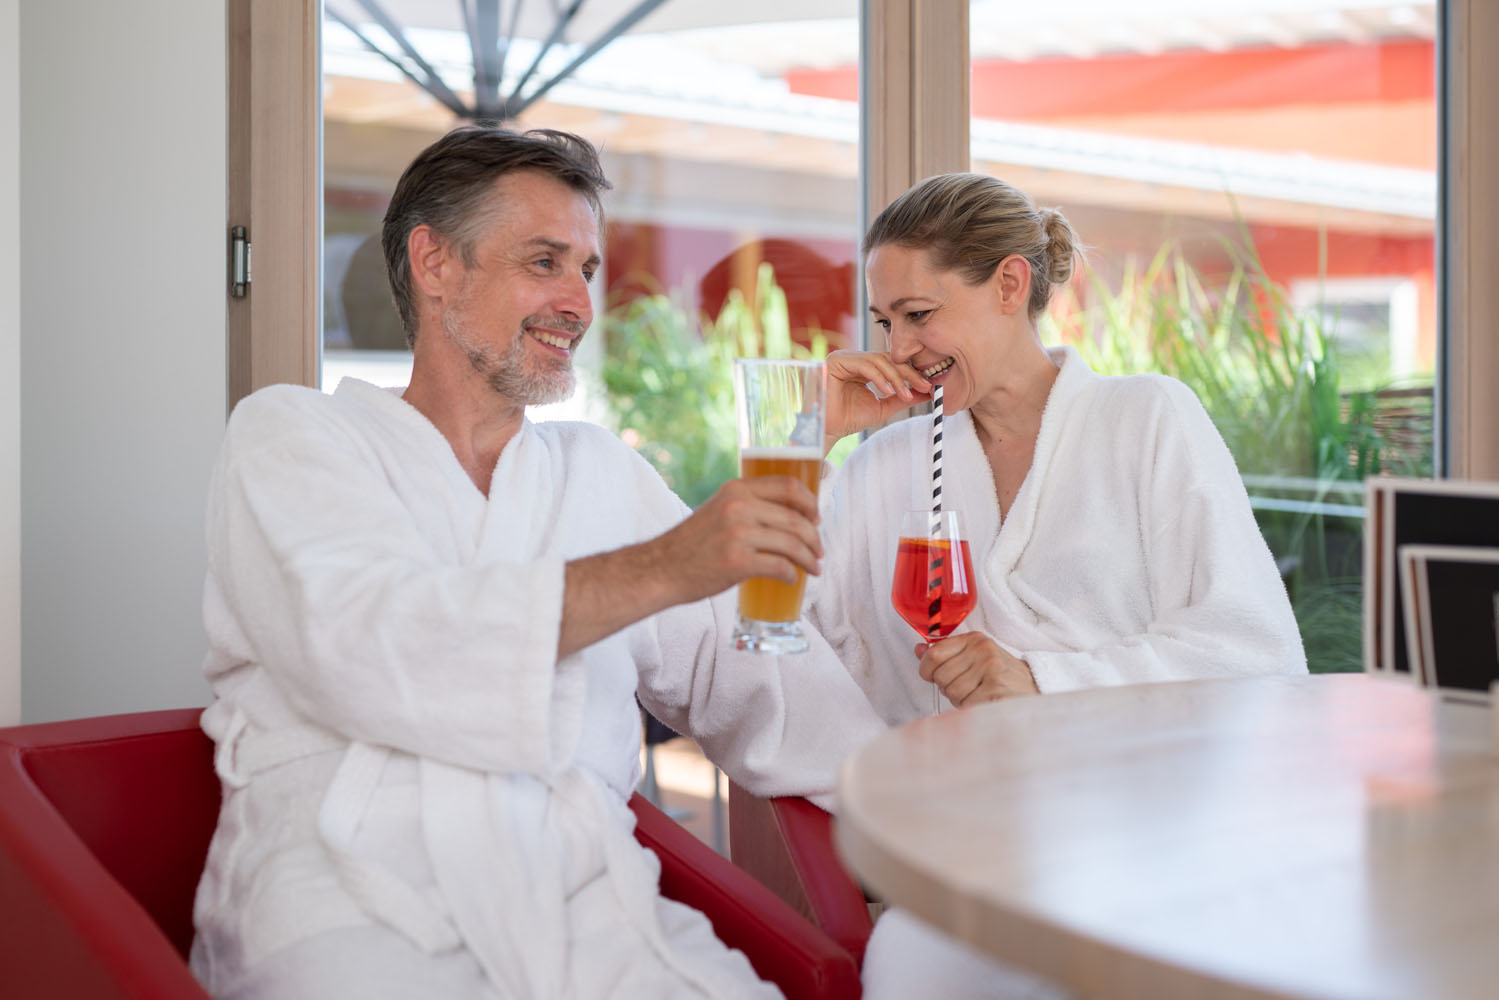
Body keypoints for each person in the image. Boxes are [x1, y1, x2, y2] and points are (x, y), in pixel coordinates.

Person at [189, 125, 887, 999]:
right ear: (435, 263)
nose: (579, 304)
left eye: (586, 270)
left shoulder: (596, 472)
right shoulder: (292, 437)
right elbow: (362, 640)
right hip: (354, 909)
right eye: (545, 261)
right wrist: (665, 566)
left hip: (582, 912)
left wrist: (928, 818)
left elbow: (758, 671)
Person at [805, 173, 1308, 998]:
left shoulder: (1146, 419)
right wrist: (809, 441)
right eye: (886, 321)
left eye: (920, 315)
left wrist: (1042, 680)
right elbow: (775, 630)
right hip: (960, 858)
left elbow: (1253, 650)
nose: (898, 350)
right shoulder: (884, 465)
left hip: (1148, 843)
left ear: (1009, 284)